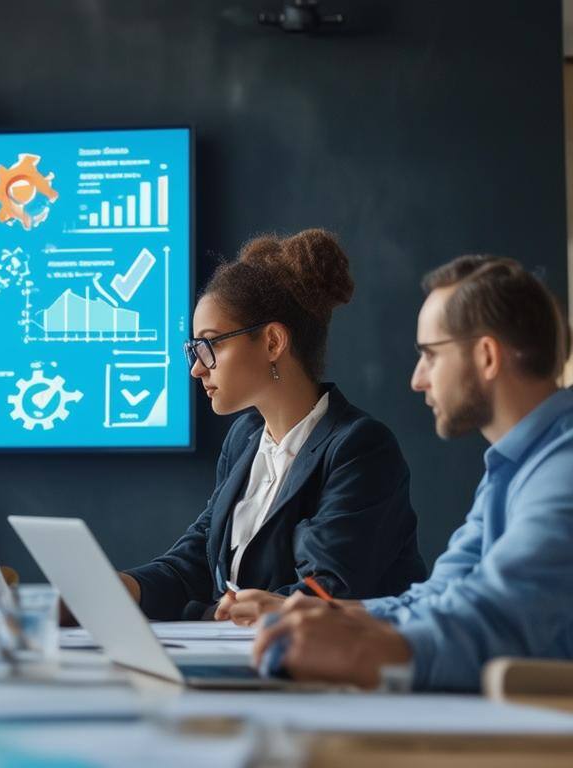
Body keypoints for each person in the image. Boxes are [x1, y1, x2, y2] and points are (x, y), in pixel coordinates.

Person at [245, 255, 573, 691]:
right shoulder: (512, 464)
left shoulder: (563, 467)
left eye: (430, 355)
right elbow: (445, 593)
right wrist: (343, 616)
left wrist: (363, 649)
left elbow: (507, 612)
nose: (418, 379)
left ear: (487, 356)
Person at [117, 229, 426, 621]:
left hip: (332, 673)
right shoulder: (244, 439)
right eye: (193, 349)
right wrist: (116, 589)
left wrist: (203, 613)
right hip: (248, 665)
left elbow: (324, 590)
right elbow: (193, 562)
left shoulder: (359, 448)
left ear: (272, 343)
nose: (196, 367)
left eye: (209, 345)